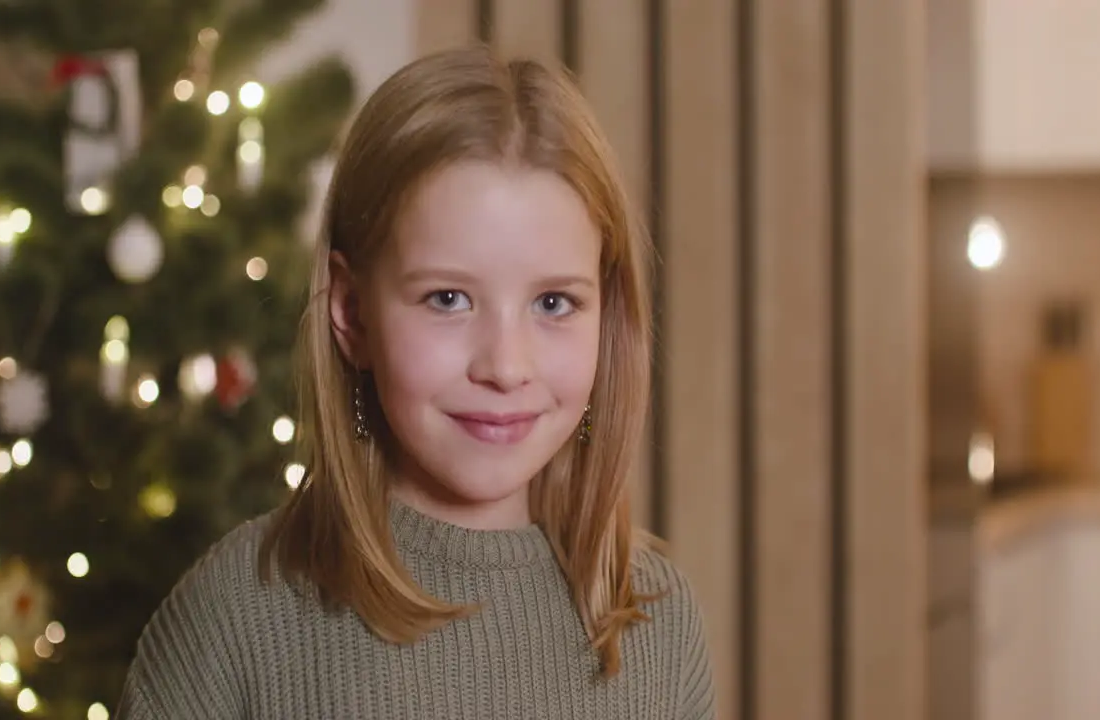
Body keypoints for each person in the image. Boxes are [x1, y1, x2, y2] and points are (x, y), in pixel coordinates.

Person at [117, 44, 714, 719]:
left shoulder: (657, 625)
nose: (506, 366)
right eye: (448, 299)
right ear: (350, 313)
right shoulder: (236, 616)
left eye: (553, 304)